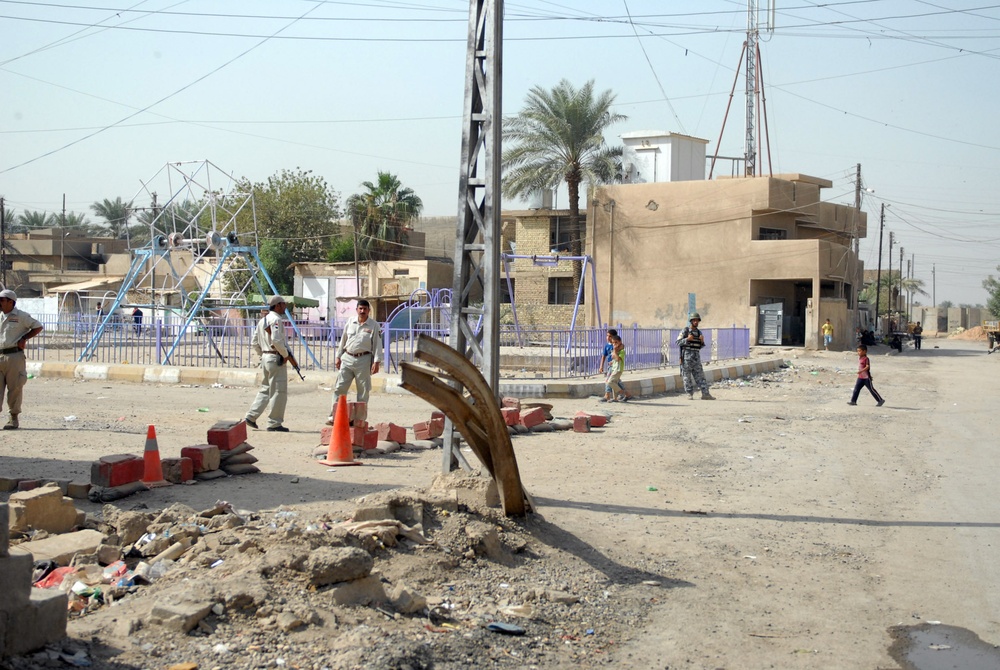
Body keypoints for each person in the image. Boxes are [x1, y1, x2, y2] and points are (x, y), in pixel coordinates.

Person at [245, 295, 298, 432]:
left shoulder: (263, 320)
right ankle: (274, 423)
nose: (285, 307)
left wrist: (263, 354)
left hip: (266, 357)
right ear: (277, 305)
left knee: (265, 389)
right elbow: (276, 340)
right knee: (278, 392)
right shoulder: (276, 319)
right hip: (275, 358)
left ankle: (251, 416)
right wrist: (286, 355)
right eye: (283, 304)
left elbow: (254, 342)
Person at [328, 299, 382, 425]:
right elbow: (343, 340)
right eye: (360, 309)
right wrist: (338, 356)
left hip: (363, 360)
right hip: (347, 358)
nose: (362, 311)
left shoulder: (374, 325)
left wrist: (377, 362)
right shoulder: (350, 322)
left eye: (365, 309)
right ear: (357, 309)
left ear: (369, 311)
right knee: (339, 388)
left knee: (363, 391)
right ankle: (334, 416)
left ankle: (359, 419)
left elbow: (378, 345)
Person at [0, 289, 44, 430]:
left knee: (15, 388)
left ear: (11, 301)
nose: (0, 303)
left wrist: (24, 338)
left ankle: (13, 418)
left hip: (14, 356)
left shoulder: (21, 316)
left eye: (2, 300)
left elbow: (37, 326)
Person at [676, 313, 715, 400]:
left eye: (697, 320)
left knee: (700, 376)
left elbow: (699, 346)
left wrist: (702, 341)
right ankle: (689, 394)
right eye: (694, 320)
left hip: (696, 357)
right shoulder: (685, 331)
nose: (696, 322)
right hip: (686, 357)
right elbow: (678, 342)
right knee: (687, 377)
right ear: (691, 321)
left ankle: (705, 394)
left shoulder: (699, 332)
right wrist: (687, 339)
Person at [602, 335, 631, 402]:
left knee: (609, 382)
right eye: (613, 343)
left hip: (618, 370)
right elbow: (614, 358)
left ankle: (621, 392)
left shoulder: (622, 351)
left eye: (616, 342)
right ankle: (615, 398)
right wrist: (612, 362)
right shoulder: (617, 351)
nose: (614, 344)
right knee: (614, 382)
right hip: (614, 369)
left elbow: (618, 359)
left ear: (620, 342)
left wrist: (615, 351)